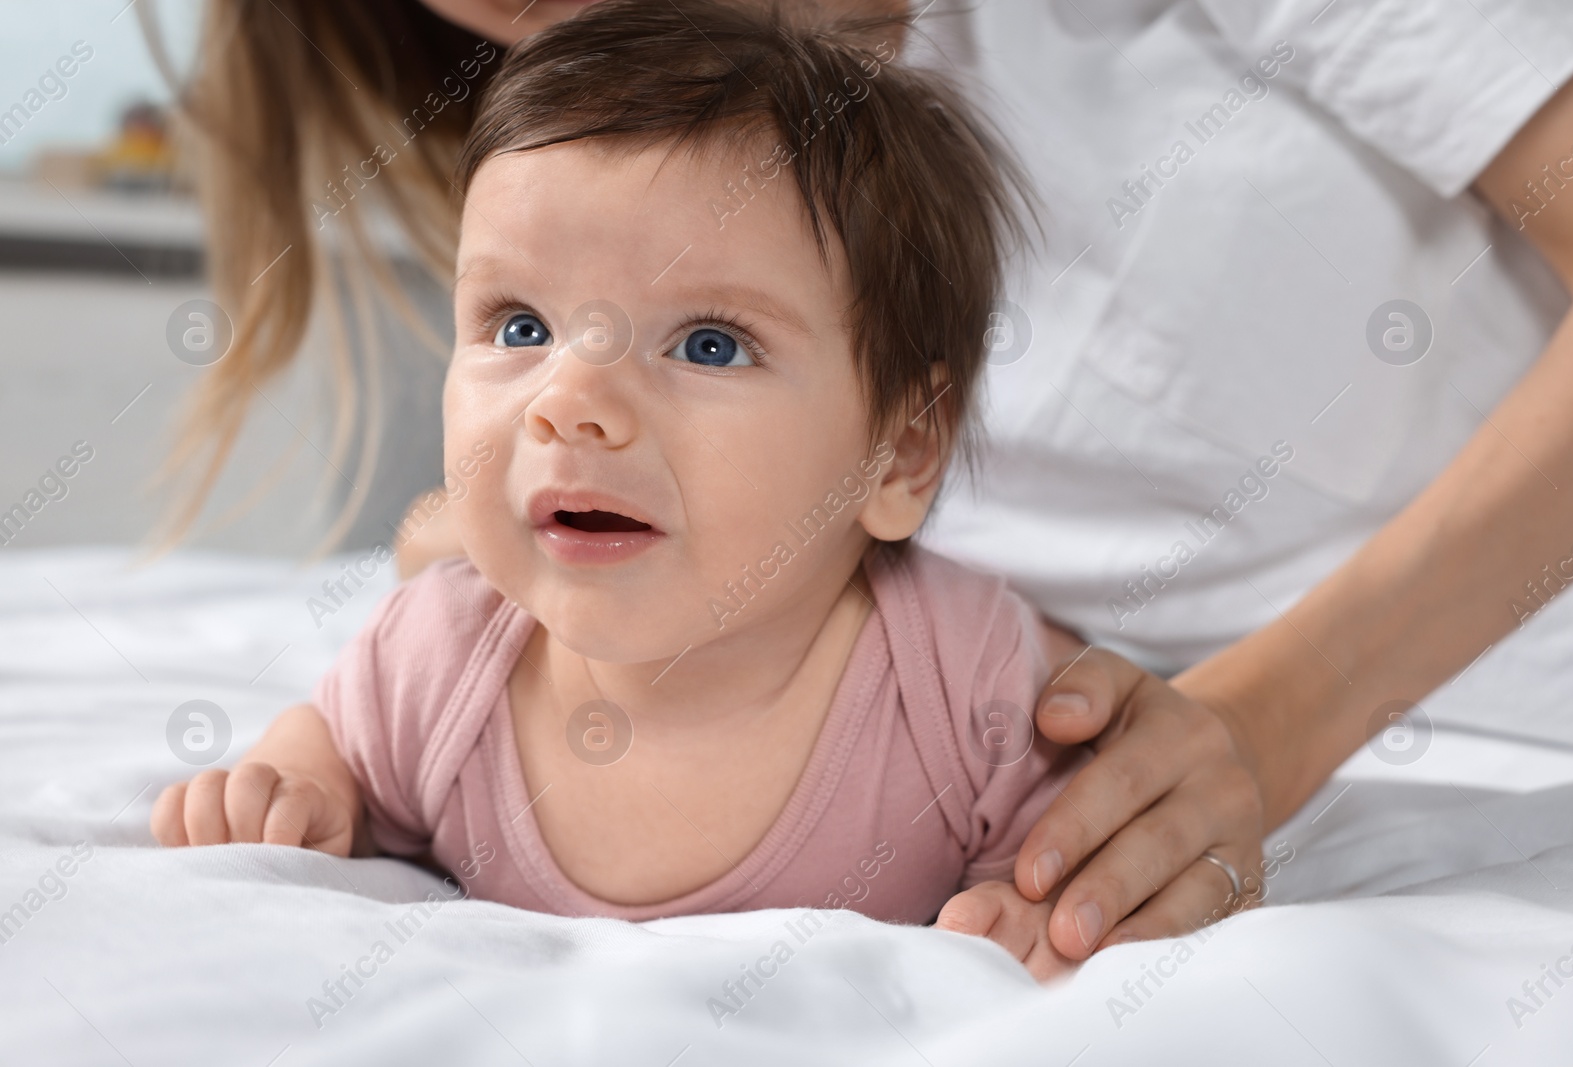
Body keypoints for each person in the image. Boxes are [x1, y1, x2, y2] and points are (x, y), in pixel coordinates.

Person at [165, 0, 1573, 965]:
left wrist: (1274, 715)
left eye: (711, 342)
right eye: (519, 328)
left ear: (914, 442)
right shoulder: (615, 148)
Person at [153, 0, 1093, 980]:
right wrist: (295, 785)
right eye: (521, 326)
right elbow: (337, 738)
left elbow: (1075, 843)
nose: (573, 403)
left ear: (897, 455)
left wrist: (1027, 906)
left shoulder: (957, 680)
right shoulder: (441, 659)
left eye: (707, 344)